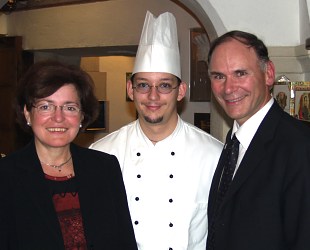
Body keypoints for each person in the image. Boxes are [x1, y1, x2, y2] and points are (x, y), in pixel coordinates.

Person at [90, 11, 223, 250]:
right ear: (130, 89)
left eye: (164, 85)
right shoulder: (101, 154)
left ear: (180, 91)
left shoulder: (214, 155)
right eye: (143, 85)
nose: (153, 96)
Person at [0, 60, 138, 250]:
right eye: (46, 106)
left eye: (70, 107)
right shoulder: (6, 176)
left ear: (82, 116)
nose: (58, 117)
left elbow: (125, 243)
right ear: (27, 113)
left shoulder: (104, 168)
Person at [206, 30, 310, 250]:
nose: (228, 88)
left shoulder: (300, 146)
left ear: (268, 74)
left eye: (240, 73)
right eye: (218, 76)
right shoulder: (233, 143)